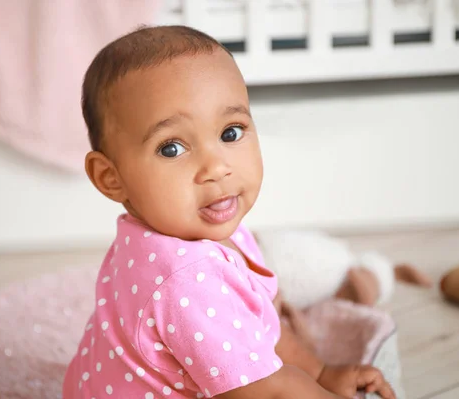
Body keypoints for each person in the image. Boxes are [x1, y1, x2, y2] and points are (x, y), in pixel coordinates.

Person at [63, 25, 395, 399]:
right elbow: (265, 392)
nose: (216, 167)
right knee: (288, 385)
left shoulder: (172, 233)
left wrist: (321, 373)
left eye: (231, 133)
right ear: (111, 177)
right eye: (172, 148)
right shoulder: (189, 279)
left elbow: (258, 326)